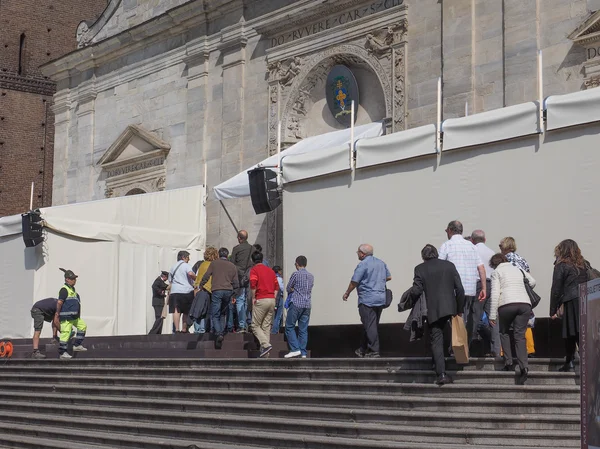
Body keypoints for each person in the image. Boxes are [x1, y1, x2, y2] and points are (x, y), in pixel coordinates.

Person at [408, 244, 465, 385]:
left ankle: (441, 373)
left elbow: (416, 291)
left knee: (436, 338)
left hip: (433, 309)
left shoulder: (420, 268)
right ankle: (446, 361)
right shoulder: (449, 265)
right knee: (449, 334)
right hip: (450, 307)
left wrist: (409, 300)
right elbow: (460, 288)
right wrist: (459, 308)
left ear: (423, 257)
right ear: (437, 254)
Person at [489, 253, 536, 384]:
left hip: (507, 305)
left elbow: (494, 293)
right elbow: (533, 282)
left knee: (504, 332)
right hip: (524, 304)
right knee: (519, 335)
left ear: (494, 264)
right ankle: (524, 367)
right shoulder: (518, 269)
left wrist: (492, 315)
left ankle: (509, 362)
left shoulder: (496, 272)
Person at [439, 221, 486, 346]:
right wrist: (484, 288)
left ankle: (454, 348)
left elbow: (439, 266)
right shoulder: (471, 246)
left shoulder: (446, 246)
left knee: (452, 319)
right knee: (464, 319)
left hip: (452, 290)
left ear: (450, 230)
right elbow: (481, 268)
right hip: (470, 289)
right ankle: (464, 347)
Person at [343, 244, 391, 358]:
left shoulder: (363, 264)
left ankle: (374, 351)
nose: (357, 254)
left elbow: (354, 281)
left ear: (362, 253)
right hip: (380, 298)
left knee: (370, 325)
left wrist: (347, 293)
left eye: (358, 252)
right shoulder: (381, 263)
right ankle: (362, 349)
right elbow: (388, 277)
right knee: (370, 325)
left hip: (367, 299)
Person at [550, 239, 588, 372]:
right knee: (582, 332)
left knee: (571, 332)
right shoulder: (584, 264)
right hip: (586, 301)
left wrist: (553, 310)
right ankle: (583, 362)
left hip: (571, 301)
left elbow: (556, 289)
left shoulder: (561, 265)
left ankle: (569, 361)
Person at [500, 236, 536, 357]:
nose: (499, 249)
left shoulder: (504, 261)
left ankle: (503, 352)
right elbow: (529, 277)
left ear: (505, 246)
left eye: (500, 246)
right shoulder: (522, 259)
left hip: (508, 295)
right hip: (523, 295)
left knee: (504, 326)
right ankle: (529, 349)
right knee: (526, 323)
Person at [200, 247, 239, 349]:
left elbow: (206, 275)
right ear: (227, 255)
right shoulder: (232, 266)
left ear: (219, 254)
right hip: (228, 291)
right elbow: (236, 283)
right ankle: (221, 332)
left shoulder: (214, 263)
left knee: (215, 314)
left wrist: (201, 284)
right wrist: (234, 294)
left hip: (217, 290)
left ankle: (219, 333)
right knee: (223, 313)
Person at [471, 229, 499, 356]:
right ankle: (496, 350)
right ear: (485, 239)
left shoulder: (472, 250)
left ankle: (469, 347)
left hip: (478, 285)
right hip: (492, 284)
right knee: (492, 317)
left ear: (472, 240)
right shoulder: (492, 252)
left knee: (475, 316)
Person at [249, 251, 280, 357]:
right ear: (262, 259)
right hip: (271, 299)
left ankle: (265, 345)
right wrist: (273, 297)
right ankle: (266, 353)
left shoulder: (254, 270)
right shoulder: (271, 271)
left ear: (253, 260)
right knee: (266, 326)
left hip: (261, 298)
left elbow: (253, 284)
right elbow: (277, 287)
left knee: (255, 325)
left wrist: (253, 297)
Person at [284, 256, 314, 358]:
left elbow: (288, 288)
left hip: (296, 303)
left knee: (289, 326)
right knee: (303, 330)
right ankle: (303, 352)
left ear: (297, 263)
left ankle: (295, 349)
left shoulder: (296, 274)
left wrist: (293, 289)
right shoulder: (311, 276)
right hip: (307, 305)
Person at [55, 269, 87, 359]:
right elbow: (59, 302)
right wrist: (57, 313)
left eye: (74, 279)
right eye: (72, 278)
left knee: (82, 326)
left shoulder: (73, 291)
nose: (74, 280)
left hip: (74, 317)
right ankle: (62, 353)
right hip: (66, 317)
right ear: (67, 279)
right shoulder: (64, 290)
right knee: (65, 333)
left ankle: (77, 345)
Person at [168, 251, 196, 333]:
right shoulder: (186, 265)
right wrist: (196, 278)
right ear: (183, 257)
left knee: (176, 310)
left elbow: (170, 280)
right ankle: (184, 329)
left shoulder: (173, 267)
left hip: (175, 291)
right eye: (188, 257)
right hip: (186, 291)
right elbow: (190, 274)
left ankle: (176, 329)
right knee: (186, 311)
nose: (189, 259)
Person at [193, 247, 218, 334]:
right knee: (210, 310)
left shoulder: (202, 264)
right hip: (211, 290)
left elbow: (198, 278)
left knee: (200, 309)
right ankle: (209, 328)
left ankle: (198, 329)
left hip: (201, 289)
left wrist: (196, 288)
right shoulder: (214, 264)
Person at [231, 230, 252, 330]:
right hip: (250, 276)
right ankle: (249, 322)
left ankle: (242, 324)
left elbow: (232, 264)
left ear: (239, 238)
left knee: (239, 300)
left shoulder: (236, 249)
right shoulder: (253, 248)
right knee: (248, 300)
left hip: (239, 277)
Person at [272, 266, 285, 334]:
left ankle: (275, 329)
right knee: (278, 315)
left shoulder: (271, 278)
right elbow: (282, 288)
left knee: (275, 315)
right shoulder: (279, 279)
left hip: (272, 298)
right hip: (279, 298)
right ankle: (274, 331)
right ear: (278, 271)